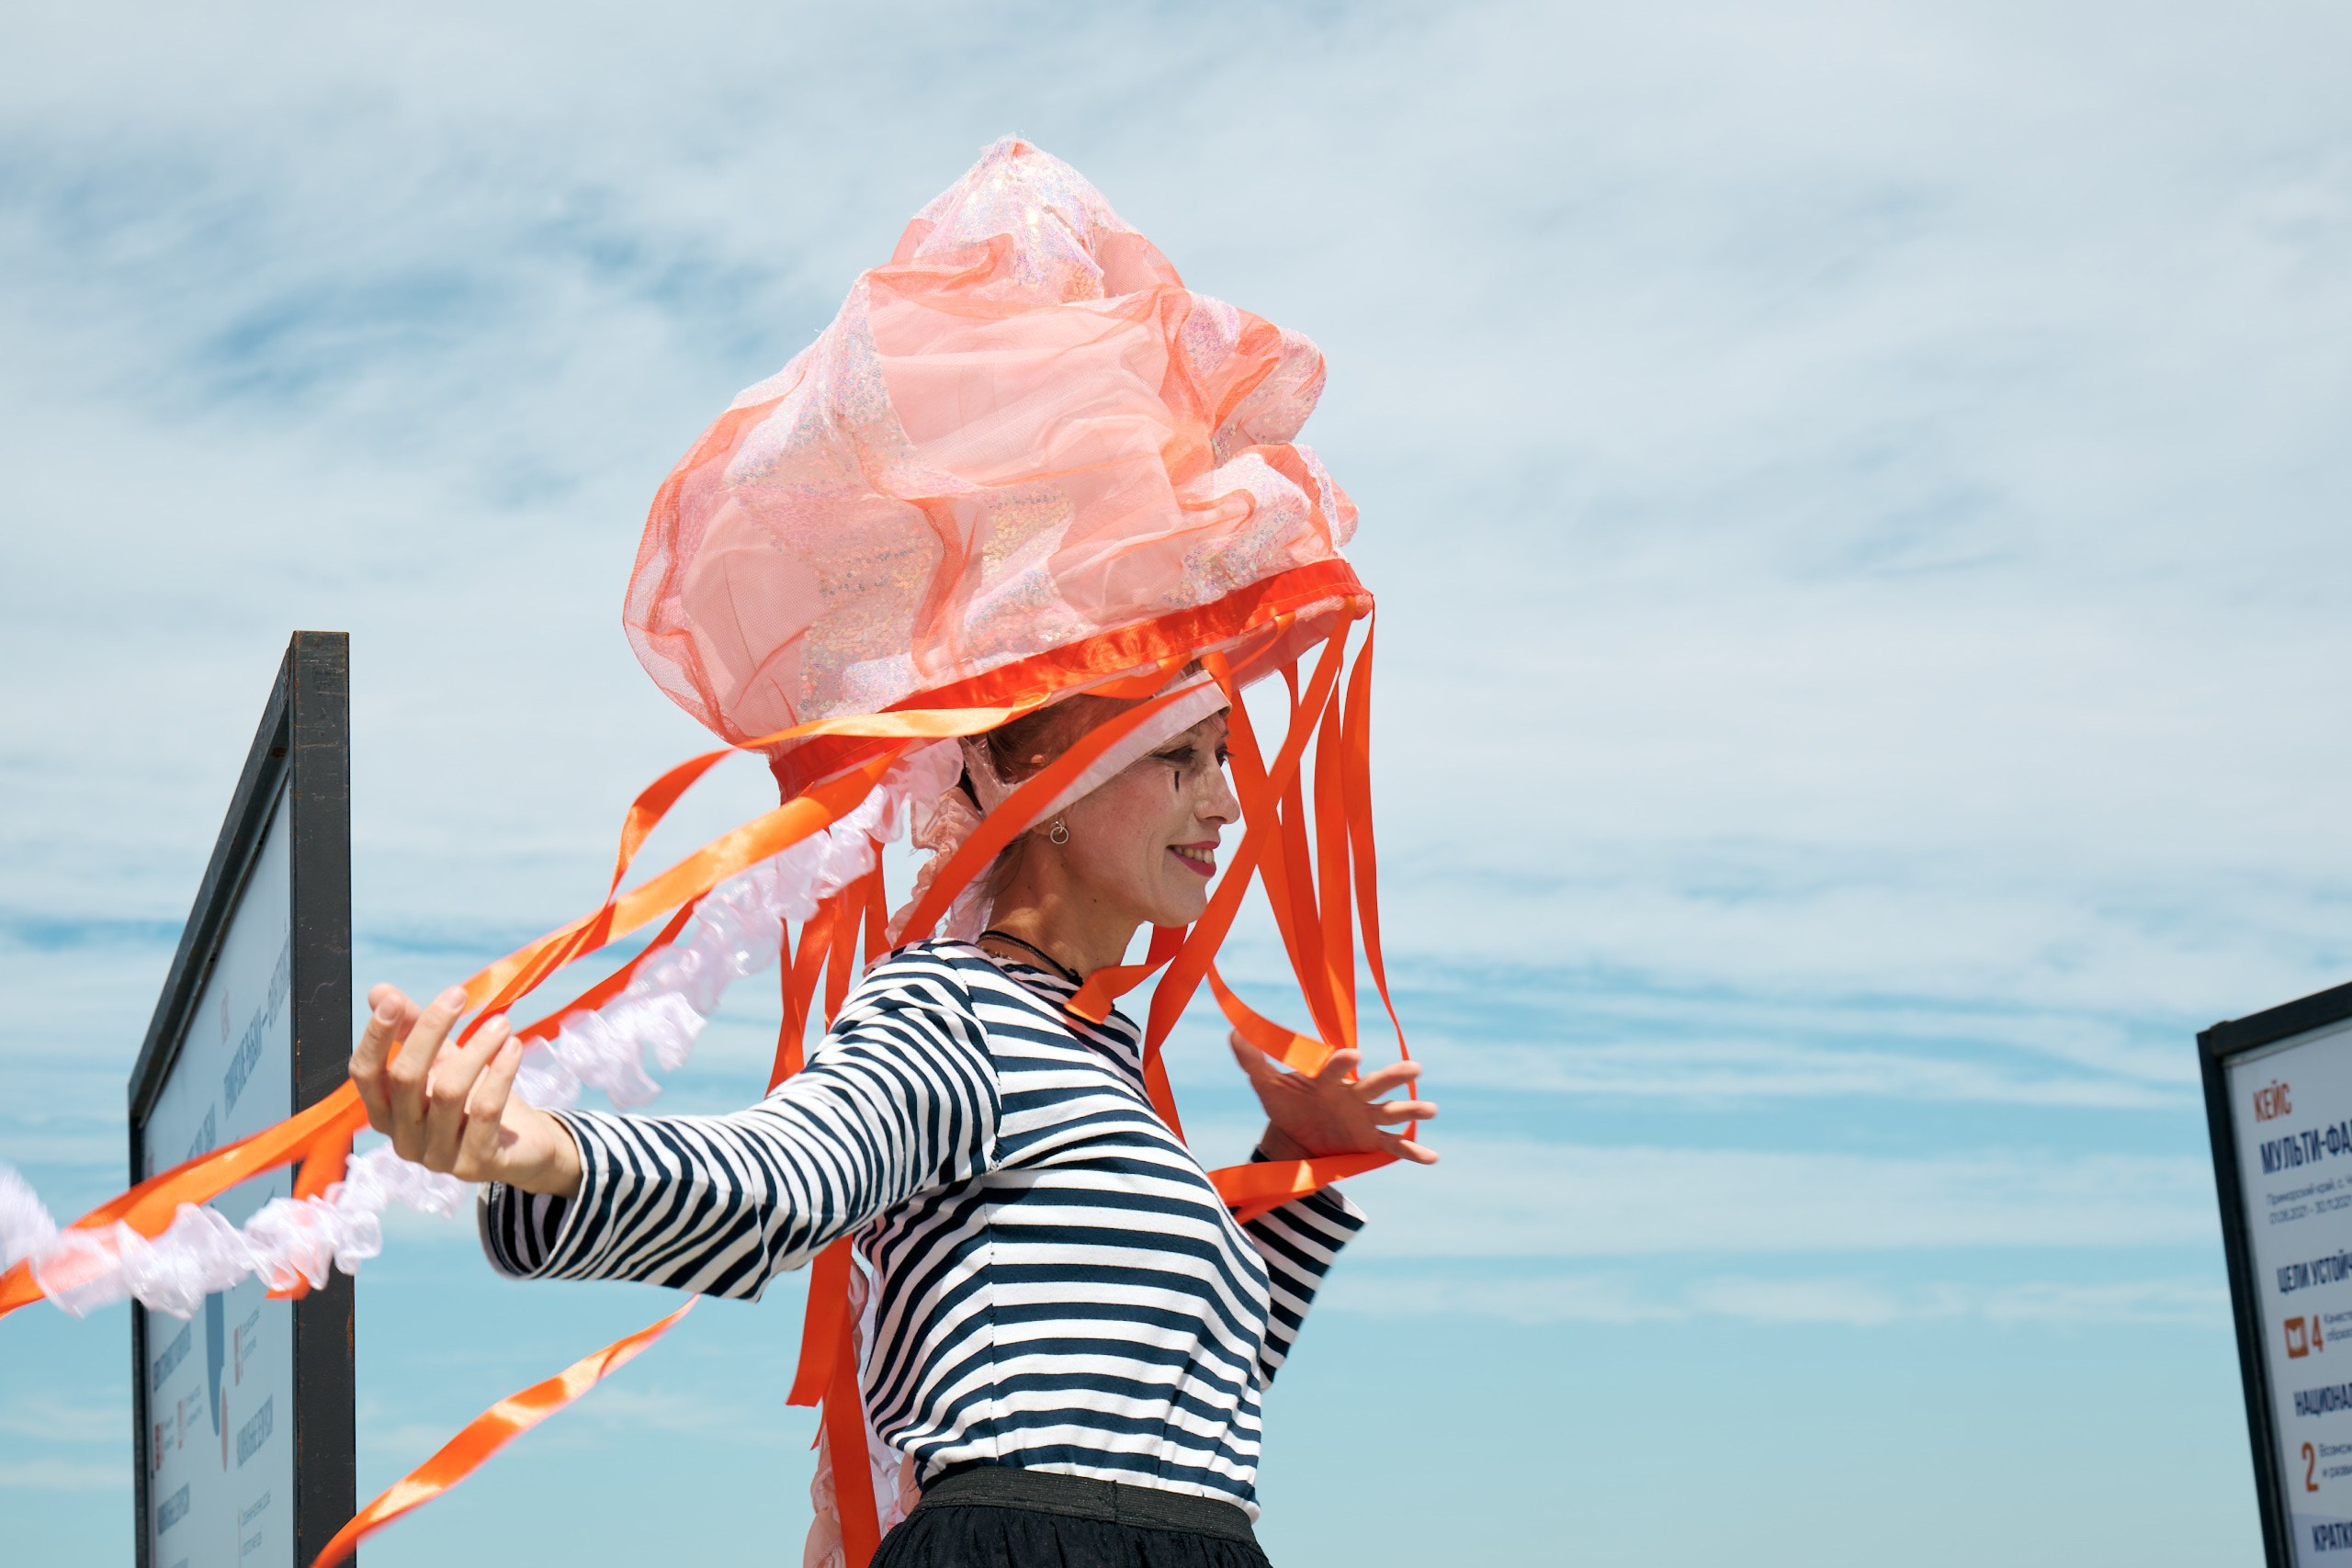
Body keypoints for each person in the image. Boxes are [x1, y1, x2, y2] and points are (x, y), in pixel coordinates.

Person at [347, 689, 1436, 1567]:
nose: (1226, 803)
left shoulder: (1106, 1055)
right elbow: (791, 1175)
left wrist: (1295, 1167)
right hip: (1034, 1545)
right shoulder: (950, 1004)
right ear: (1054, 787)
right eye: (1181, 757)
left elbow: (1182, 1404)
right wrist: (540, 1153)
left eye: (1224, 757)